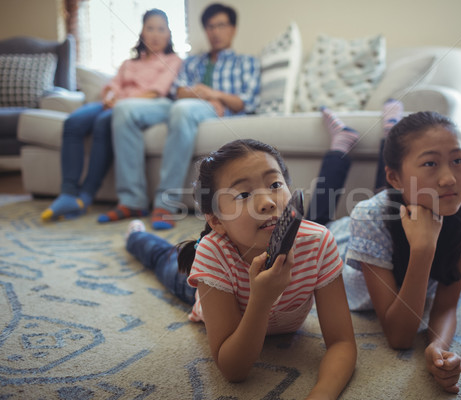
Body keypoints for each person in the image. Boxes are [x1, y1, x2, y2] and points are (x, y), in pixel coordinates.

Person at [125, 139, 356, 399]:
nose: (267, 202)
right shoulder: (212, 253)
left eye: (275, 185)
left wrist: (322, 394)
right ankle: (136, 236)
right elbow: (233, 370)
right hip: (209, 291)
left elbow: (343, 343)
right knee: (163, 259)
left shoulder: (318, 242)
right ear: (217, 221)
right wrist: (261, 299)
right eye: (243, 194)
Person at [310, 103, 461, 394]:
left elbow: (446, 305)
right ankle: (343, 140)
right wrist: (423, 250)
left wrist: (438, 347)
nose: (450, 178)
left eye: (458, 160)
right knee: (315, 222)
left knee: (406, 183)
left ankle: (393, 129)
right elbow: (399, 337)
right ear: (393, 178)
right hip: (338, 242)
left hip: (395, 197)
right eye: (431, 163)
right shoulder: (369, 216)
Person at [99, 2, 260, 230]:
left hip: (209, 109)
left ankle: (166, 203)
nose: (215, 31)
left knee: (182, 109)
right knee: (124, 110)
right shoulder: (193, 61)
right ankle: (132, 200)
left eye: (221, 25)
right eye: (210, 26)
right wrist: (200, 94)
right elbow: (177, 90)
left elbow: (247, 101)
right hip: (186, 103)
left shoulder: (247, 62)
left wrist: (213, 94)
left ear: (233, 29)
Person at [41, 8, 181, 222]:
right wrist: (109, 96)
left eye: (161, 29)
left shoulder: (172, 60)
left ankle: (86, 195)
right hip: (113, 103)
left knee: (103, 122)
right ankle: (68, 193)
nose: (155, 34)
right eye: (150, 28)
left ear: (169, 34)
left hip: (140, 105)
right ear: (142, 32)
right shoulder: (129, 64)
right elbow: (112, 85)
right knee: (73, 122)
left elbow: (156, 91)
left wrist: (119, 103)